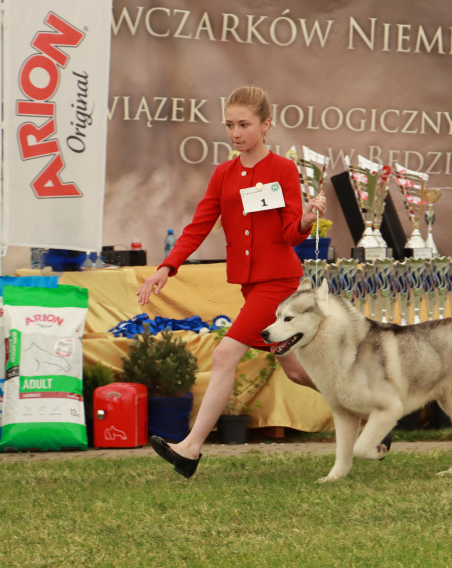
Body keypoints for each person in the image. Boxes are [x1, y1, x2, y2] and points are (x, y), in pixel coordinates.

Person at [138, 85, 325, 478]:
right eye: (229, 125)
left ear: (266, 125)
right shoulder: (223, 174)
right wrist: (165, 268)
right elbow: (198, 226)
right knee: (295, 371)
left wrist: (307, 220)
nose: (235, 133)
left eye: (244, 124)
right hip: (251, 286)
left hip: (279, 284)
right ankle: (369, 413)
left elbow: (292, 233)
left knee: (224, 355)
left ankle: (189, 450)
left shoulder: (283, 170)